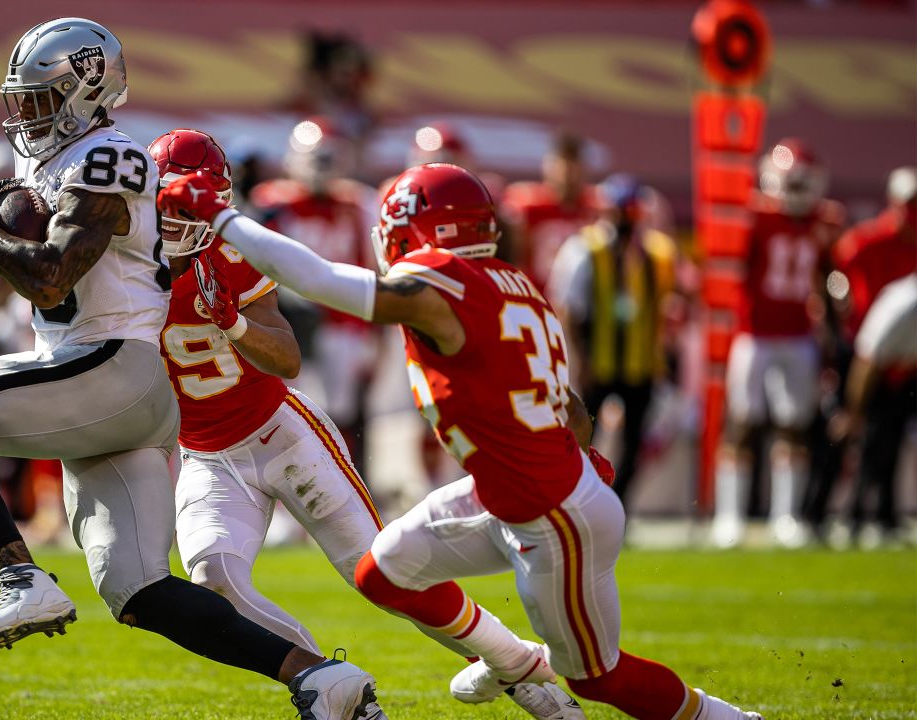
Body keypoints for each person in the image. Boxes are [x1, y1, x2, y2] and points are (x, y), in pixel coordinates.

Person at [0, 18, 384, 718]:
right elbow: (11, 239)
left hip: (110, 365)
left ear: (89, 89)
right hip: (103, 383)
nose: (26, 113)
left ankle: (19, 574)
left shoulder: (113, 157)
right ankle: (315, 679)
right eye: (21, 99)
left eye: (41, 98)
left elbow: (50, 276)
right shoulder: (55, 161)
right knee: (139, 590)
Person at [158, 163, 765, 719]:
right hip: (522, 489)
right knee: (382, 573)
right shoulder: (512, 283)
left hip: (548, 512)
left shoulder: (441, 283)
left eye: (397, 225)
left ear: (423, 229)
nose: (387, 238)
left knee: (598, 679)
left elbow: (317, 279)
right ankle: (509, 658)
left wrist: (221, 218)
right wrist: (584, 460)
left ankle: (728, 718)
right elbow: (570, 407)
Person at [150, 128, 580, 719]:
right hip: (206, 455)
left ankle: (516, 664)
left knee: (379, 573)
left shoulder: (232, 253)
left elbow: (288, 358)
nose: (173, 216)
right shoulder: (120, 264)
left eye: (187, 199)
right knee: (213, 578)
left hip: (279, 431)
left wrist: (236, 325)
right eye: (165, 199)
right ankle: (328, 683)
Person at [713, 139, 842, 549]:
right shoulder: (754, 216)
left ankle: (785, 517)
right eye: (794, 181)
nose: (799, 190)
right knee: (741, 423)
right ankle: (728, 516)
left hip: (798, 335)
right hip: (755, 335)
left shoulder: (824, 221)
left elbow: (827, 277)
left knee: (794, 426)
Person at [250, 117, 380, 468]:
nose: (322, 167)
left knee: (341, 414)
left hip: (344, 322)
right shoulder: (274, 202)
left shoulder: (359, 203)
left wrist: (372, 329)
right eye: (317, 158)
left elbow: (374, 267)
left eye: (329, 158)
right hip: (290, 320)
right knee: (289, 409)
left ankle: (344, 481)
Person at [549, 174, 677, 501]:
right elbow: (570, 310)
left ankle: (617, 505)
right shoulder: (583, 250)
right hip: (599, 361)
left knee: (634, 443)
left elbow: (661, 309)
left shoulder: (655, 254)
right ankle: (573, 499)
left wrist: (658, 357)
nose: (624, 222)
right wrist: (580, 361)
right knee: (582, 435)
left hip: (639, 365)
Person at [829, 167, 917, 545]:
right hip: (867, 346)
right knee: (851, 430)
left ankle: (881, 514)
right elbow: (836, 275)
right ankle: (835, 514)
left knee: (891, 437)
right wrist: (840, 308)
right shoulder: (866, 239)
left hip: (902, 355)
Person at [499, 130, 602, 291]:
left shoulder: (596, 208)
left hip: (579, 306)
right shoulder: (527, 205)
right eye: (564, 167)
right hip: (534, 298)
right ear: (549, 166)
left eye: (574, 166)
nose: (569, 175)